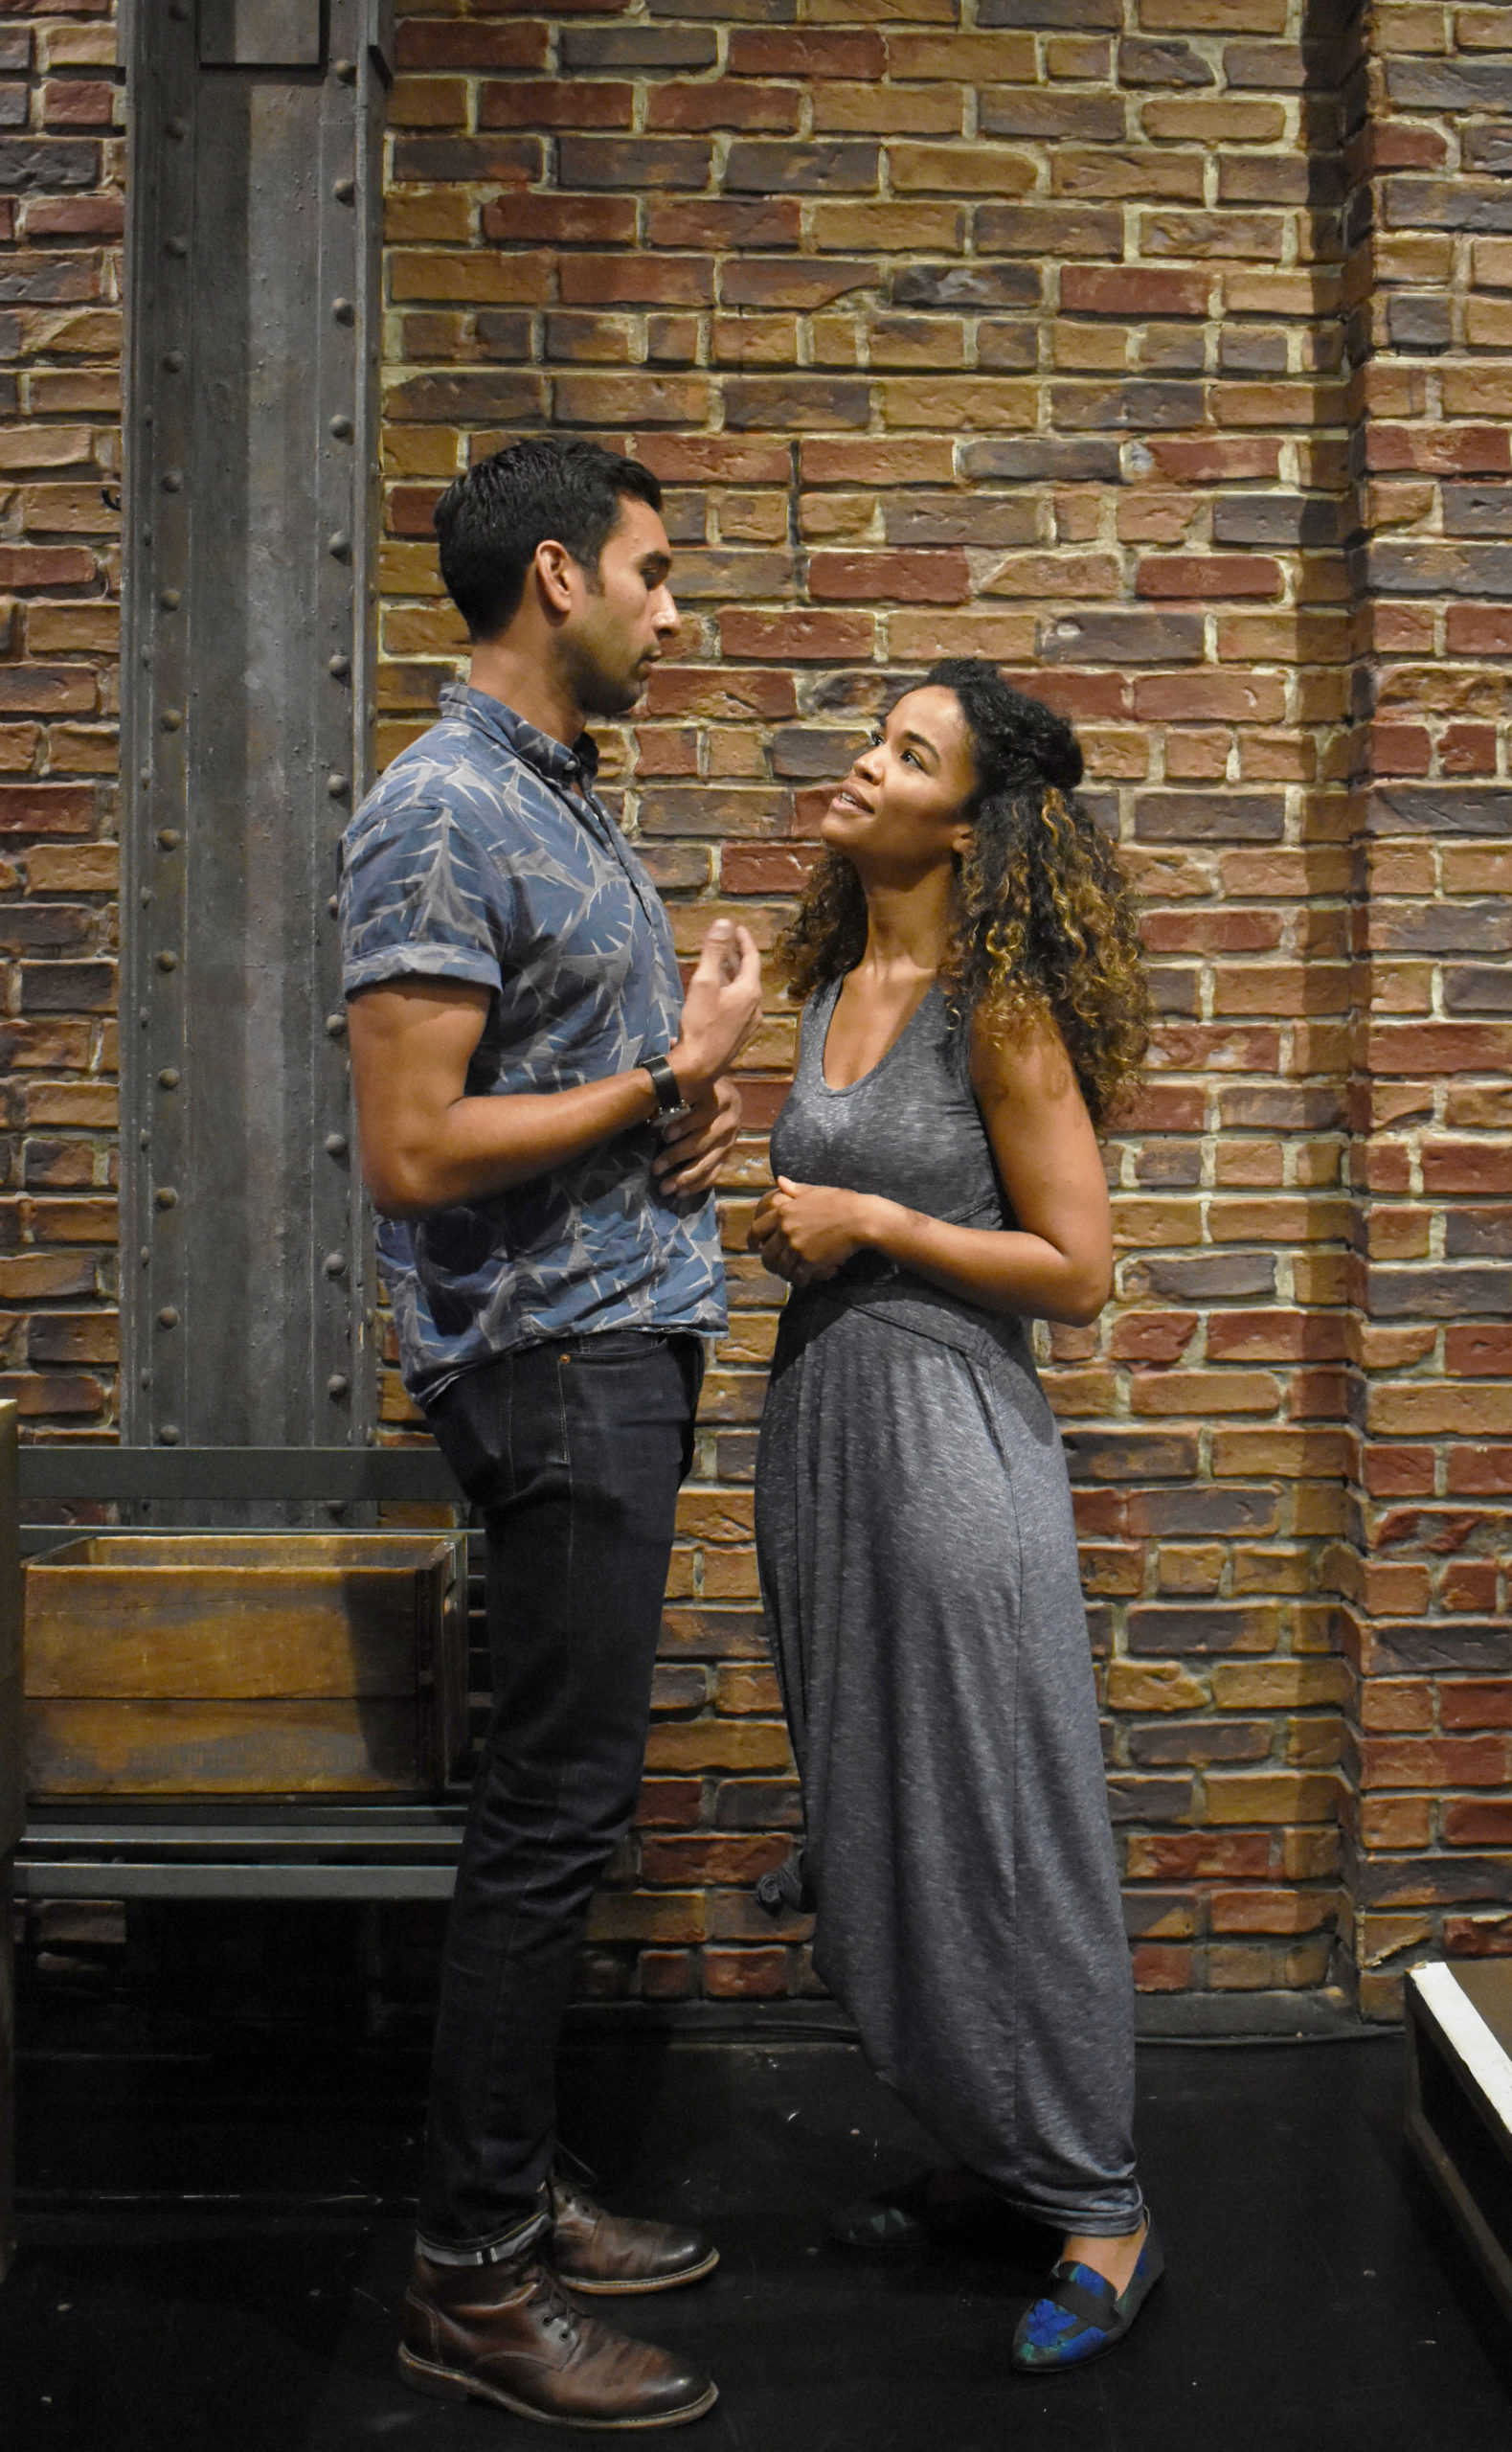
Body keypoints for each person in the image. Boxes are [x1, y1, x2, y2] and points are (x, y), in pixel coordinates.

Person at [339, 437, 762, 2430]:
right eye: (654, 573)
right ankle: (471, 2273)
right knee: (549, 1823)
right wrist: (654, 1079)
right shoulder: (437, 814)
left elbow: (565, 1085)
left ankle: (506, 2191)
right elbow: (414, 1147)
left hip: (618, 1329)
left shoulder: (561, 804)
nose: (674, 613)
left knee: (562, 1811)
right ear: (552, 581)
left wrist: (682, 1104)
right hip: (555, 1359)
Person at [750, 658, 1162, 2373]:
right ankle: (1004, 2155)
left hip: (948, 1453)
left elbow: (1077, 1270)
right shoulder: (838, 973)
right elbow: (829, 1201)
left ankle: (1106, 2209)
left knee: (1001, 1826)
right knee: (887, 1820)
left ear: (971, 827)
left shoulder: (996, 1008)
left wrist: (867, 1220)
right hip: (832, 1437)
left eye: (907, 754)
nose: (863, 764)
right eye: (876, 735)